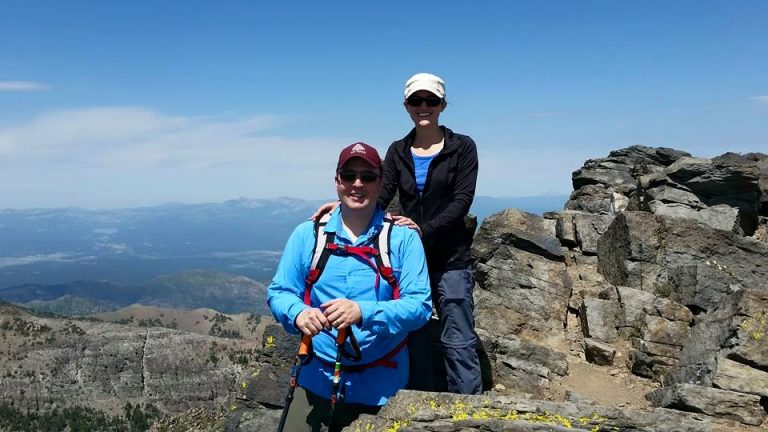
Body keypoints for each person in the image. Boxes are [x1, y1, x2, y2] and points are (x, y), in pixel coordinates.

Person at [311, 73, 482, 395]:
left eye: (431, 101)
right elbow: (382, 192)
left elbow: (462, 200)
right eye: (416, 101)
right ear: (406, 105)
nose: (423, 107)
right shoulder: (399, 150)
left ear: (442, 105)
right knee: (411, 334)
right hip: (404, 258)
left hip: (449, 256)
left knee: (457, 338)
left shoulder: (462, 147)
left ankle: (468, 410)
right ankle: (416, 408)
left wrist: (423, 229)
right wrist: (341, 204)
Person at [268, 142, 432, 432]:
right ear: (337, 181)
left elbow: (420, 306)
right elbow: (280, 292)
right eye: (348, 176)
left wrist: (362, 311)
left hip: (381, 388)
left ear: (380, 183)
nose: (358, 184)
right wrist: (298, 313)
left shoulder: (403, 239)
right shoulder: (308, 234)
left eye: (368, 177)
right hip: (316, 378)